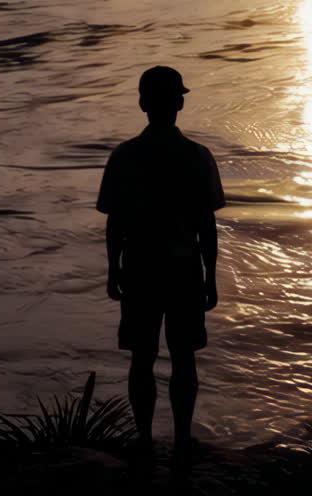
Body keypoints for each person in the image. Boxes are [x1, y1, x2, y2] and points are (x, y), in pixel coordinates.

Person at [96, 65, 225, 459]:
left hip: (139, 267)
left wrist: (113, 268)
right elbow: (207, 225)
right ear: (180, 103)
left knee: (142, 356)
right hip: (184, 268)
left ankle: (144, 438)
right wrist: (211, 276)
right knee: (183, 357)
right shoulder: (198, 156)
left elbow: (115, 222)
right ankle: (183, 438)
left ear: (142, 104)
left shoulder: (124, 156)